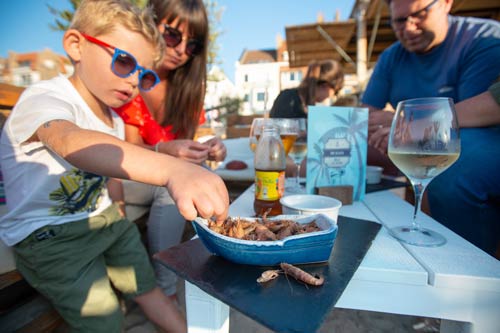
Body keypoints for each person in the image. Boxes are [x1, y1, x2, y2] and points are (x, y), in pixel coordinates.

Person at [0, 1, 228, 332]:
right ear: (76, 45)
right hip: (48, 235)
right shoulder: (47, 97)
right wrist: (171, 169)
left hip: (104, 220)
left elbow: (110, 175)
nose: (134, 80)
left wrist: (118, 213)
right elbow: (70, 141)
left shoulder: (113, 119)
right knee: (105, 319)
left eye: (144, 74)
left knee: (147, 287)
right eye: (124, 62)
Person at [361, 0, 500, 256]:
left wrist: (405, 124)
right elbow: (366, 116)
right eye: (400, 21)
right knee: (353, 149)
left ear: (446, 3)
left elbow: (471, 124)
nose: (409, 27)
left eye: (419, 14)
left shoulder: (483, 40)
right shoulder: (392, 55)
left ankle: (464, 264)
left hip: (474, 145)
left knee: (459, 167)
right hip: (413, 150)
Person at [113, 0, 226, 301]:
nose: (181, 49)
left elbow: (191, 141)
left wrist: (210, 148)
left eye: (193, 44)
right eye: (174, 35)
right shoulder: (129, 74)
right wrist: (166, 150)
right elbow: (123, 152)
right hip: (122, 173)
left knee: (190, 176)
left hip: (157, 178)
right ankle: (165, 290)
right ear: (152, 22)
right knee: (177, 182)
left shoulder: (186, 88)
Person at [269, 59, 344, 119]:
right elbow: (277, 130)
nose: (332, 96)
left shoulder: (299, 101)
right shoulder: (289, 99)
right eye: (336, 92)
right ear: (326, 85)